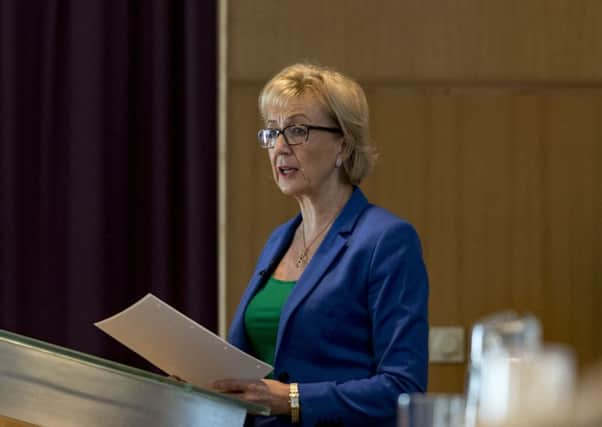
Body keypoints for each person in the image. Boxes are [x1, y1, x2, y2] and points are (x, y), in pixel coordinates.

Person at [213, 63, 429, 427]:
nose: (280, 147)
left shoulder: (386, 241)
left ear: (342, 145)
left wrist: (293, 399)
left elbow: (402, 388)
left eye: (297, 130)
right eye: (272, 132)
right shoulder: (278, 240)